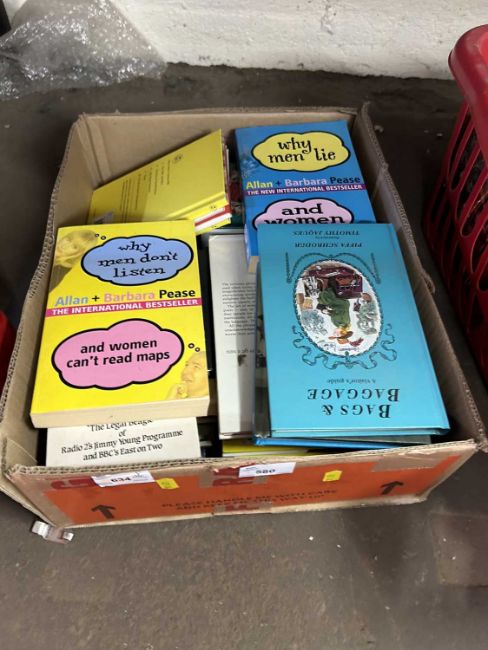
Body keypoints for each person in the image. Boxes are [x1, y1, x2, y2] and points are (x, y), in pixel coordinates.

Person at [316, 280, 353, 344]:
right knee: (325, 300)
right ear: (343, 333)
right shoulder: (345, 322)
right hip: (342, 304)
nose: (335, 333)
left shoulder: (337, 325)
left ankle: (321, 284)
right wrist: (331, 308)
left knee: (320, 304)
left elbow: (333, 314)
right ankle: (325, 281)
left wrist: (327, 312)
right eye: (338, 335)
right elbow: (342, 310)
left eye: (337, 335)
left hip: (335, 306)